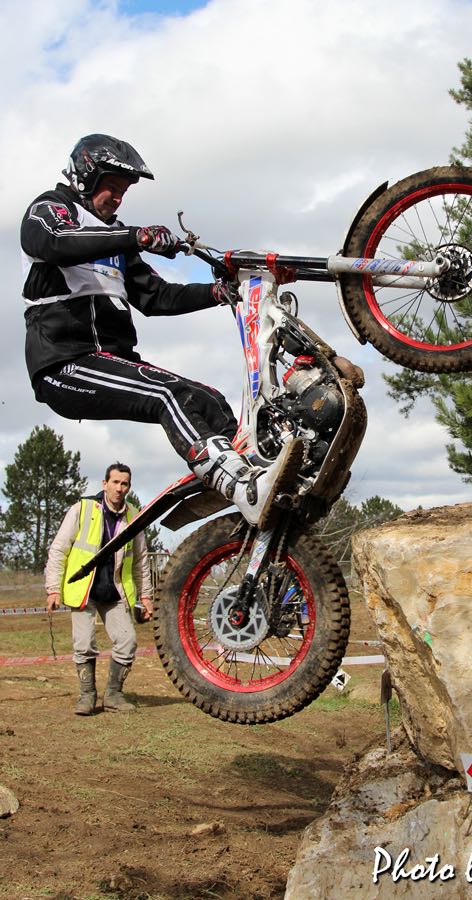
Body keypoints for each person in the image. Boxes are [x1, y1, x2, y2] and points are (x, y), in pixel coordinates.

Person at [21, 133, 303, 531]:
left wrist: (217, 293)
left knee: (208, 401)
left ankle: (255, 479)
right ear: (84, 175)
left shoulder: (115, 238)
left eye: (124, 192)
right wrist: (137, 236)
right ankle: (240, 485)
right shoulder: (50, 209)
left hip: (111, 361)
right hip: (65, 363)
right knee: (167, 395)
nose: (117, 199)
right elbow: (55, 241)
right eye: (111, 187)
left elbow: (157, 297)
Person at [46, 462, 153, 715]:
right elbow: (59, 549)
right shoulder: (82, 509)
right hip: (83, 590)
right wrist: (53, 589)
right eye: (115, 482)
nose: (119, 488)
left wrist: (146, 596)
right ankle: (87, 696)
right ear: (105, 484)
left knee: (127, 642)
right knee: (84, 644)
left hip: (115, 592)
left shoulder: (134, 516)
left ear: (129, 487)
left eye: (124, 483)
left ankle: (114, 695)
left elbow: (141, 560)